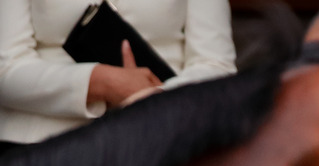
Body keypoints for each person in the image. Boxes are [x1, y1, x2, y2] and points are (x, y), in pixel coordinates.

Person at [0, 0, 237, 143]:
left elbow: (216, 65)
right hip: (41, 148)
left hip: (162, 138)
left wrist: (156, 96)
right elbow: (5, 67)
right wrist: (100, 82)